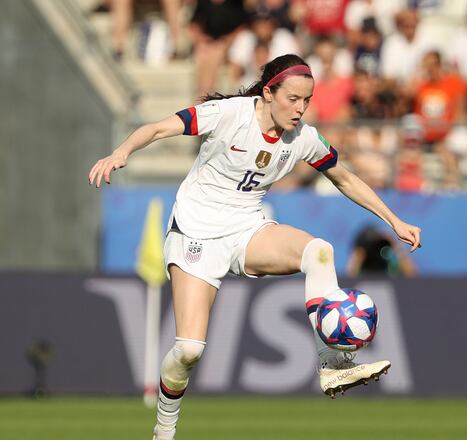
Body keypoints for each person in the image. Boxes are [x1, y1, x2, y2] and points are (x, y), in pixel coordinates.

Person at [88, 54, 421, 440]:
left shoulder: (304, 139)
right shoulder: (229, 114)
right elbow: (160, 128)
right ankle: (164, 430)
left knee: (319, 251)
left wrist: (394, 219)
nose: (300, 109)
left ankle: (332, 365)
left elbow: (344, 179)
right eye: (292, 98)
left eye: (307, 101)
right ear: (268, 92)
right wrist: (121, 151)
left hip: (247, 230)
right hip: (195, 234)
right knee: (189, 351)